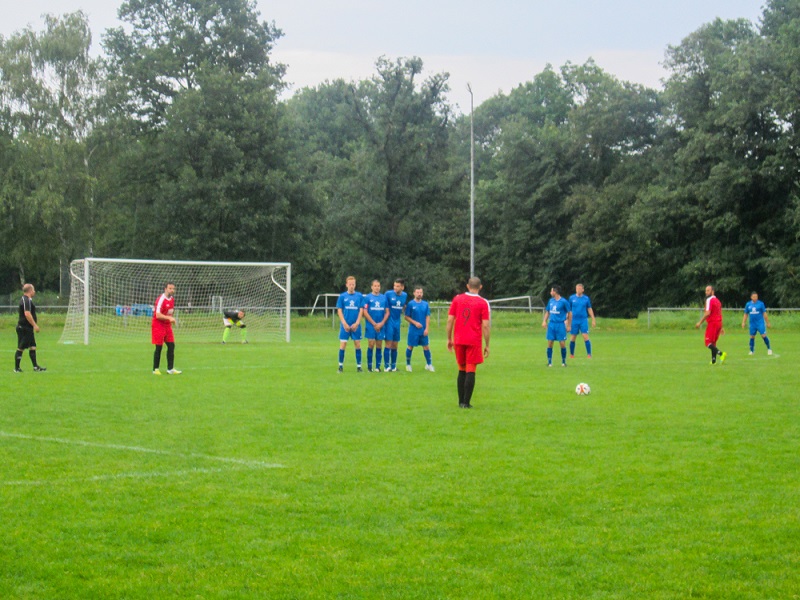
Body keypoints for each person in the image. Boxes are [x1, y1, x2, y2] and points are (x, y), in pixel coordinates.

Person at [446, 277, 491, 408]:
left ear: (467, 286)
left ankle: (460, 402)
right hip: (474, 340)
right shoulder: (483, 302)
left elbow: (450, 321)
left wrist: (449, 339)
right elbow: (486, 325)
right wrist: (487, 345)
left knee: (461, 369)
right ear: (480, 287)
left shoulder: (457, 299)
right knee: (471, 369)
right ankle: (466, 403)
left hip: (459, 339)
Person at [14, 283, 46, 373]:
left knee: (33, 346)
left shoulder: (28, 300)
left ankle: (35, 367)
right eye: (34, 290)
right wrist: (35, 325)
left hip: (28, 328)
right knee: (21, 347)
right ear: (30, 291)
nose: (34, 291)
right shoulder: (25, 300)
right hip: (24, 328)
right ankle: (16, 368)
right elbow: (27, 313)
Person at [152, 282, 181, 375]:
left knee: (171, 346)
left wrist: (171, 320)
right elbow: (158, 315)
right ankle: (155, 369)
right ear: (165, 289)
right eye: (170, 288)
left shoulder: (172, 299)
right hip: (158, 325)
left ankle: (170, 369)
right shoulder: (161, 299)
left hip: (167, 326)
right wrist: (169, 318)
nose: (172, 290)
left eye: (173, 288)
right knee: (159, 347)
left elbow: (169, 312)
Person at [336, 276, 364, 373]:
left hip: (356, 325)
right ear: (347, 285)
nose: (352, 286)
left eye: (353, 284)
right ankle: (340, 366)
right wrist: (344, 323)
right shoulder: (342, 296)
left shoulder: (359, 296)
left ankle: (359, 367)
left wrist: (357, 323)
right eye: (350, 284)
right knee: (343, 344)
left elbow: (361, 310)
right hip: (345, 326)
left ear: (355, 285)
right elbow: (339, 311)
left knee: (357, 344)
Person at [404, 286, 434, 372]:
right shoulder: (410, 304)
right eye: (417, 292)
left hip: (423, 330)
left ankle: (429, 364)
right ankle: (408, 364)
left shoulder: (425, 304)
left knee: (426, 347)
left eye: (421, 292)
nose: (419, 294)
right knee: (410, 346)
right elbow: (406, 317)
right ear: (414, 293)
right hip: (413, 330)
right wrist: (415, 323)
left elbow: (427, 317)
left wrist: (427, 329)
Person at [695, 285, 727, 365]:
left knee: (708, 342)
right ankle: (713, 361)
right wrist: (721, 327)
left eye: (708, 290)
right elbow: (719, 313)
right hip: (718, 323)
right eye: (706, 291)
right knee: (713, 342)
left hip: (713, 323)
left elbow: (707, 313)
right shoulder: (718, 301)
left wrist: (700, 322)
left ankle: (721, 354)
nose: (706, 292)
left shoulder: (709, 300)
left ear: (713, 291)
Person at [363, 279, 389, 371]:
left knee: (379, 344)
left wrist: (381, 323)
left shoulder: (384, 298)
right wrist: (374, 324)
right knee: (371, 344)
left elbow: (387, 312)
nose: (377, 287)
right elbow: (365, 312)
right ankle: (369, 367)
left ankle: (377, 367)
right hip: (371, 325)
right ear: (371, 287)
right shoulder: (367, 298)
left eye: (378, 286)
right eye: (375, 286)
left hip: (381, 325)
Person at [542, 286, 571, 367]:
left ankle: (563, 362)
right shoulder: (551, 301)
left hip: (560, 324)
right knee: (550, 342)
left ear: (555, 292)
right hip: (551, 324)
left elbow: (570, 313)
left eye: (551, 291)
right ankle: (549, 362)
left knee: (562, 343)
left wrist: (569, 325)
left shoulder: (564, 301)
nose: (550, 293)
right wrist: (544, 321)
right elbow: (548, 312)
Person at [383, 278, 408, 372]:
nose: (395, 288)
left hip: (397, 322)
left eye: (397, 286)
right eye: (394, 286)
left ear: (402, 287)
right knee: (388, 343)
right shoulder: (388, 294)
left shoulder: (404, 295)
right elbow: (385, 308)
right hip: (389, 322)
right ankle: (386, 366)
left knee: (395, 344)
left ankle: (393, 367)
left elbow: (404, 307)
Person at [568, 283, 596, 358]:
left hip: (583, 320)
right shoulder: (571, 298)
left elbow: (589, 309)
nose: (578, 290)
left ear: (583, 290)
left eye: (580, 289)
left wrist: (593, 319)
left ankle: (589, 354)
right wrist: (567, 320)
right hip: (574, 320)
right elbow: (569, 310)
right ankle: (571, 354)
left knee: (585, 336)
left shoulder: (586, 299)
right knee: (573, 337)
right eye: (577, 289)